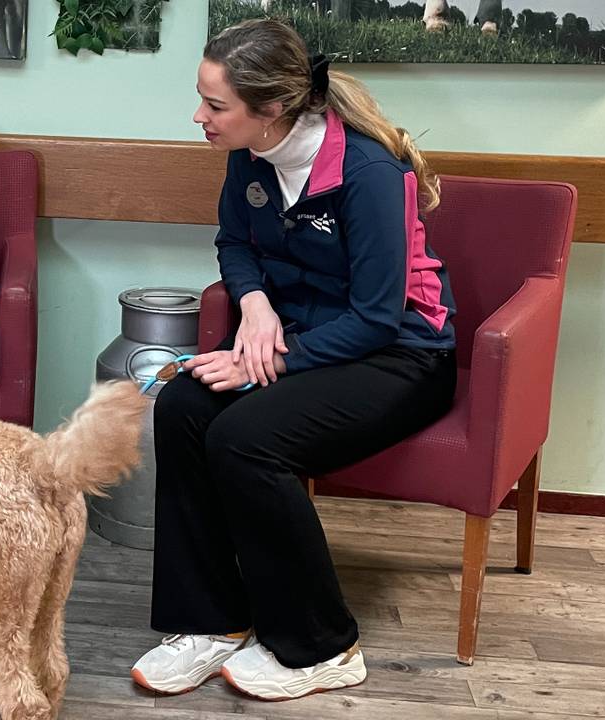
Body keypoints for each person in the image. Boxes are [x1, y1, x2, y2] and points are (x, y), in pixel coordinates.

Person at [130, 19, 457, 701]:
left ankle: (322, 647)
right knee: (183, 404)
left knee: (246, 439)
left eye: (215, 105)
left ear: (272, 107)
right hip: (305, 337)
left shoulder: (368, 171)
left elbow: (376, 318)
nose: (199, 117)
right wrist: (254, 307)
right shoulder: (250, 154)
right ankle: (212, 621)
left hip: (402, 355)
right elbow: (234, 242)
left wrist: (264, 364)